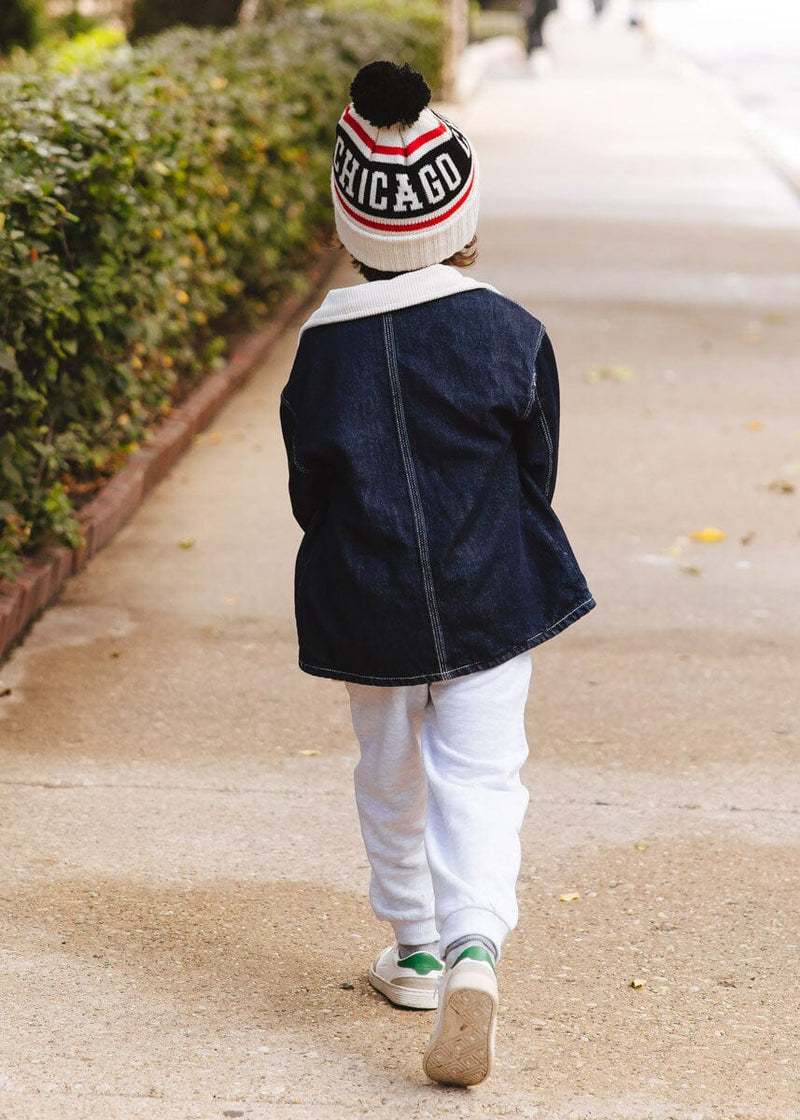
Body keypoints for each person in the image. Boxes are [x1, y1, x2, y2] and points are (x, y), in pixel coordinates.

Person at [280, 60, 595, 1087]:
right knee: (481, 775)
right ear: (458, 216)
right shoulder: (507, 329)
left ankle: (412, 947)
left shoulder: (318, 354)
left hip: (366, 604)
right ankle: (473, 948)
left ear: (349, 226)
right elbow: (535, 465)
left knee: (387, 770)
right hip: (490, 592)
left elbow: (308, 492)